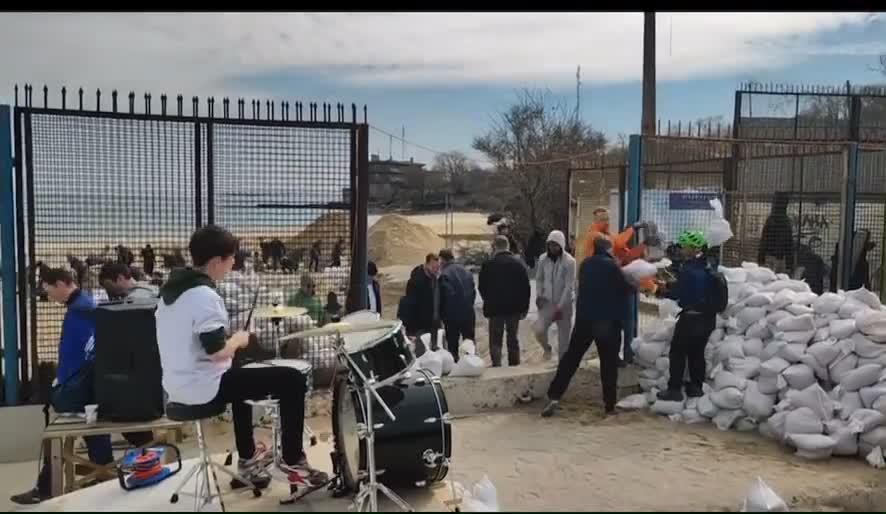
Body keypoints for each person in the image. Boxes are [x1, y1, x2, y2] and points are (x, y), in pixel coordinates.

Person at [155, 225, 327, 497]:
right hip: (203, 388)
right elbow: (215, 351)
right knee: (292, 380)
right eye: (231, 258)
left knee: (239, 376)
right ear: (215, 262)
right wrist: (238, 340)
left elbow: (196, 342)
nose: (234, 263)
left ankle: (248, 460)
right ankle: (293, 461)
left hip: (175, 388)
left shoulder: (169, 295)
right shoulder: (204, 296)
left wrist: (230, 340)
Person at [11, 269, 113, 505]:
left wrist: (62, 382)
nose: (47, 295)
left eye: (47, 289)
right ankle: (103, 476)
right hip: (89, 388)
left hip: (78, 388)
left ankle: (46, 488)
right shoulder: (85, 306)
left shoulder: (80, 311)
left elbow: (77, 356)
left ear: (59, 284)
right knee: (94, 433)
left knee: (57, 434)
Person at [541, 236, 634, 417]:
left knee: (571, 359)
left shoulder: (586, 265)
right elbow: (625, 288)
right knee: (608, 363)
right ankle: (609, 405)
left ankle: (554, 395)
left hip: (585, 320)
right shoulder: (612, 266)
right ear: (608, 249)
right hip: (607, 322)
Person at [656, 230, 721, 402]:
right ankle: (696, 388)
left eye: (685, 246)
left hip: (690, 319)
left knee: (677, 353)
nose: (682, 250)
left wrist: (662, 290)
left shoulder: (688, 269)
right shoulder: (710, 266)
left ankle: (674, 390)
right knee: (697, 353)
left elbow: (680, 293)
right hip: (708, 319)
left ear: (694, 248)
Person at [478, 236, 531, 367]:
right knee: (513, 338)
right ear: (508, 246)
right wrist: (524, 308)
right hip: (514, 308)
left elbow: (482, 286)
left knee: (495, 339)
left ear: (495, 247)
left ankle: (496, 365)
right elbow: (526, 288)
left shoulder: (488, 264)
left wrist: (488, 300)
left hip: (495, 308)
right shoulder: (519, 264)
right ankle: (514, 365)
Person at [533, 230, 576, 362]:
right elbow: (539, 279)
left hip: (564, 304)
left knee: (564, 338)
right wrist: (539, 295)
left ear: (561, 245)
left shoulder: (570, 262)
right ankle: (547, 348)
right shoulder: (543, 259)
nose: (553, 248)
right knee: (539, 330)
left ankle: (562, 364)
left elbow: (569, 286)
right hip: (547, 303)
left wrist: (560, 306)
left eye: (555, 245)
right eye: (550, 245)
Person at [439, 248, 476, 361]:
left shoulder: (444, 274)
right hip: (468, 313)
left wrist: (442, 315)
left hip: (452, 316)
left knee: (453, 345)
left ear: (442, 260)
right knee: (469, 343)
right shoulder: (466, 271)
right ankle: (471, 364)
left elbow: (443, 297)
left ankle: (455, 366)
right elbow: (473, 291)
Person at [399, 253, 442, 340]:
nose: (436, 270)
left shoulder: (436, 279)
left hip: (434, 324)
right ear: (426, 265)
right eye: (433, 267)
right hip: (420, 327)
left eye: (437, 267)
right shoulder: (416, 281)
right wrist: (411, 329)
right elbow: (410, 305)